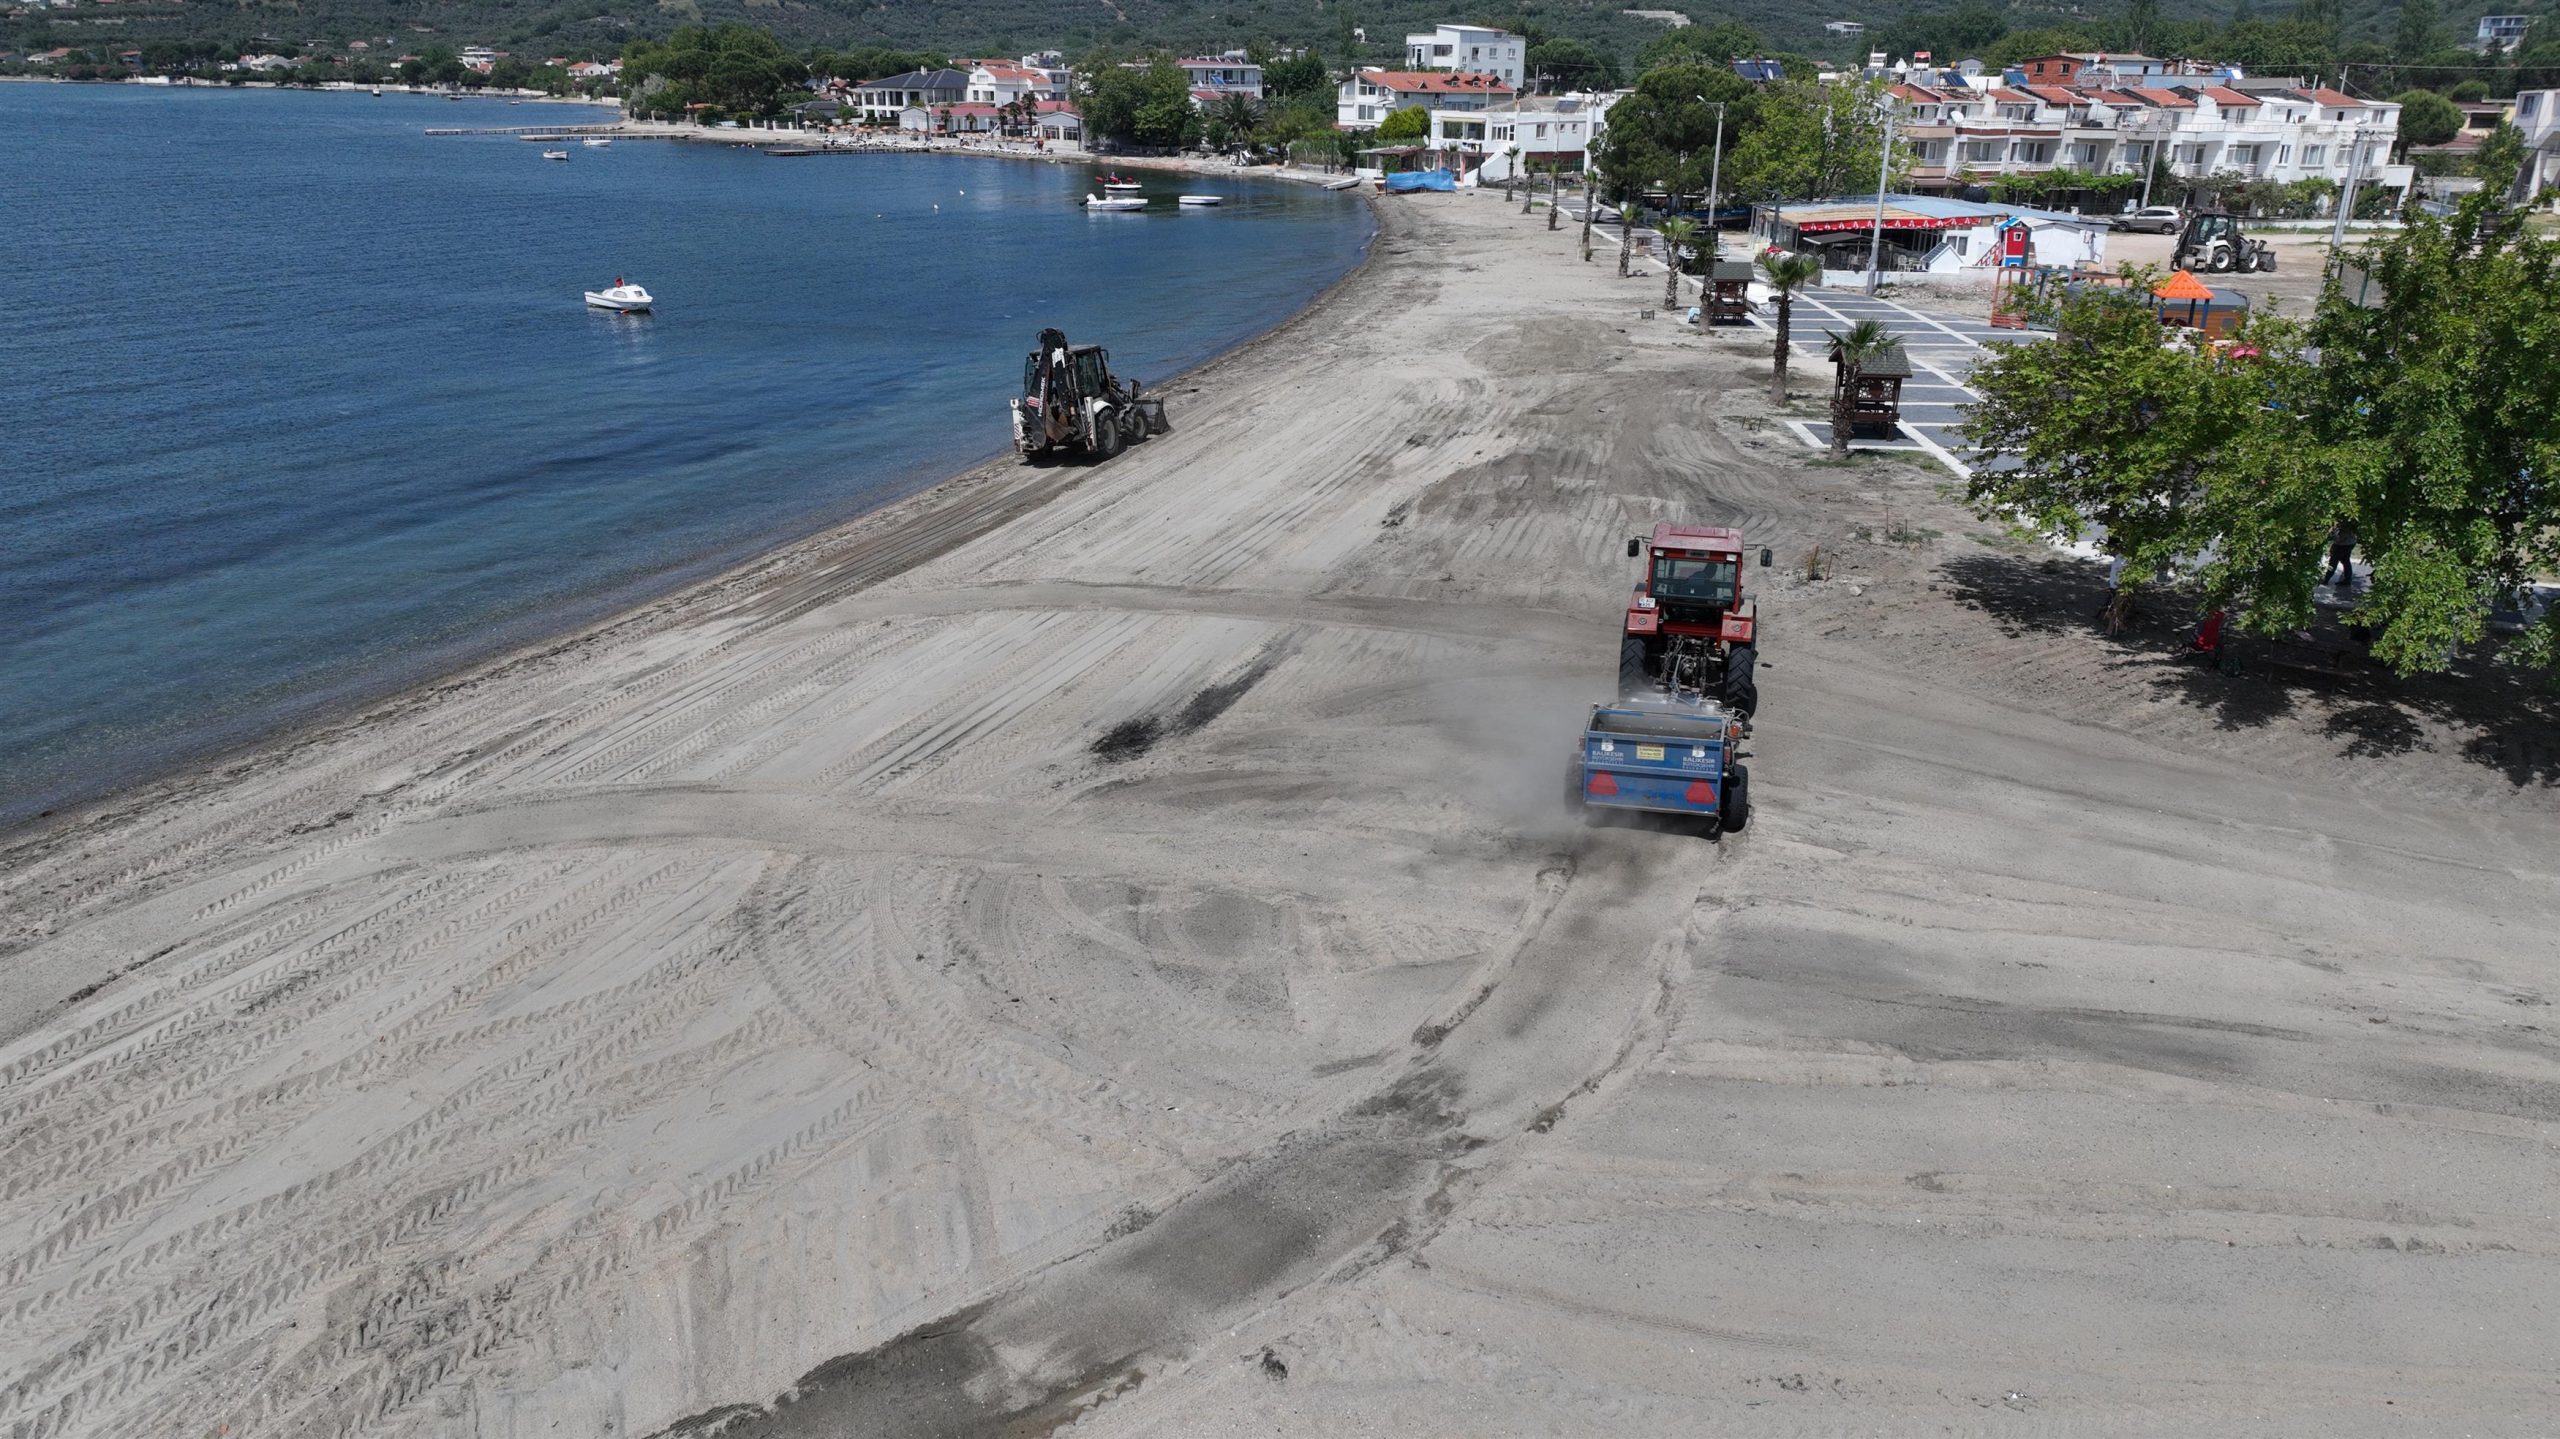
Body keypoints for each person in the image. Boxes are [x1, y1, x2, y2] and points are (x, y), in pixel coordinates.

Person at [2322, 520, 2358, 591]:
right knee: (2345, 561)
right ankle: (2347, 580)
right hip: (2350, 542)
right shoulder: (2349, 520)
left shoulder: (2342, 524)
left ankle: (2326, 579)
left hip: (2342, 544)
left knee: (2333, 562)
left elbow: (2338, 538)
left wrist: (2331, 533)